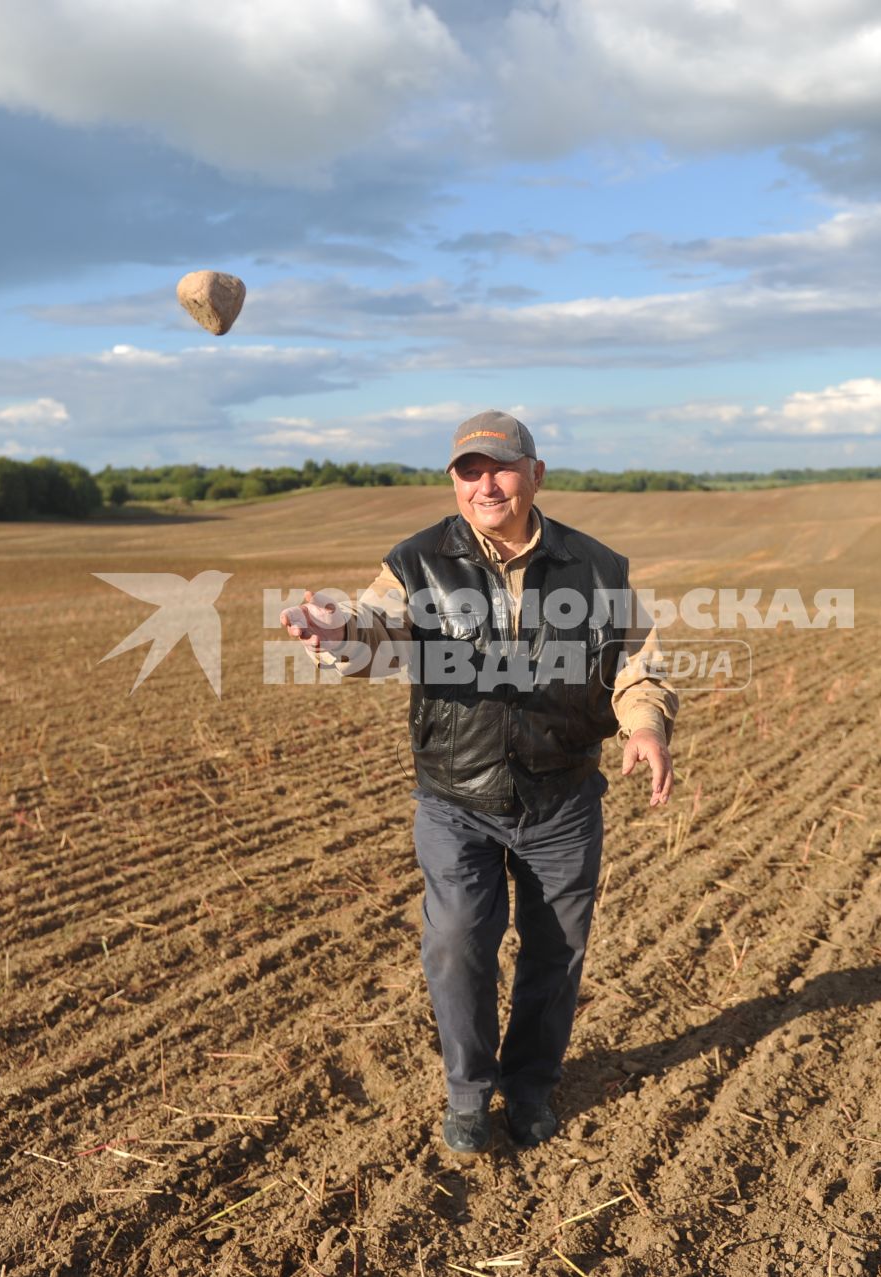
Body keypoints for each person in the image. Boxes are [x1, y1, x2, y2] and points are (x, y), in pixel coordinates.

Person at [280, 410, 677, 1155]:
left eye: (499, 467)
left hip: (561, 795)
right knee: (459, 940)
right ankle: (468, 1090)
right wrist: (336, 635)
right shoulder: (417, 562)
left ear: (536, 475)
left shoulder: (598, 567)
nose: (484, 483)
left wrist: (646, 726)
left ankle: (530, 1086)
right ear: (453, 482)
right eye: (468, 470)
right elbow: (379, 632)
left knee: (555, 951)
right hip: (456, 798)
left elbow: (635, 664)